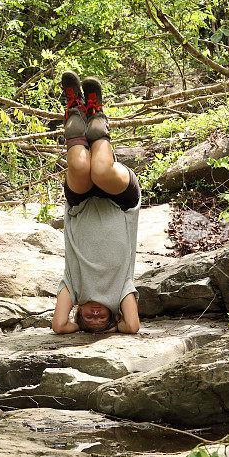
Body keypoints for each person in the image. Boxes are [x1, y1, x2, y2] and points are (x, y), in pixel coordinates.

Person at [51, 71, 141, 334]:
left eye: (89, 320)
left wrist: (77, 329)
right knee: (100, 170)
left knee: (80, 165)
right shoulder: (120, 293)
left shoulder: (73, 287)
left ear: (78, 314)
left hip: (81, 205)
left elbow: (58, 326)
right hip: (121, 202)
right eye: (102, 320)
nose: (96, 315)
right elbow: (133, 326)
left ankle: (74, 117)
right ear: (114, 315)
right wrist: (113, 331)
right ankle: (97, 117)